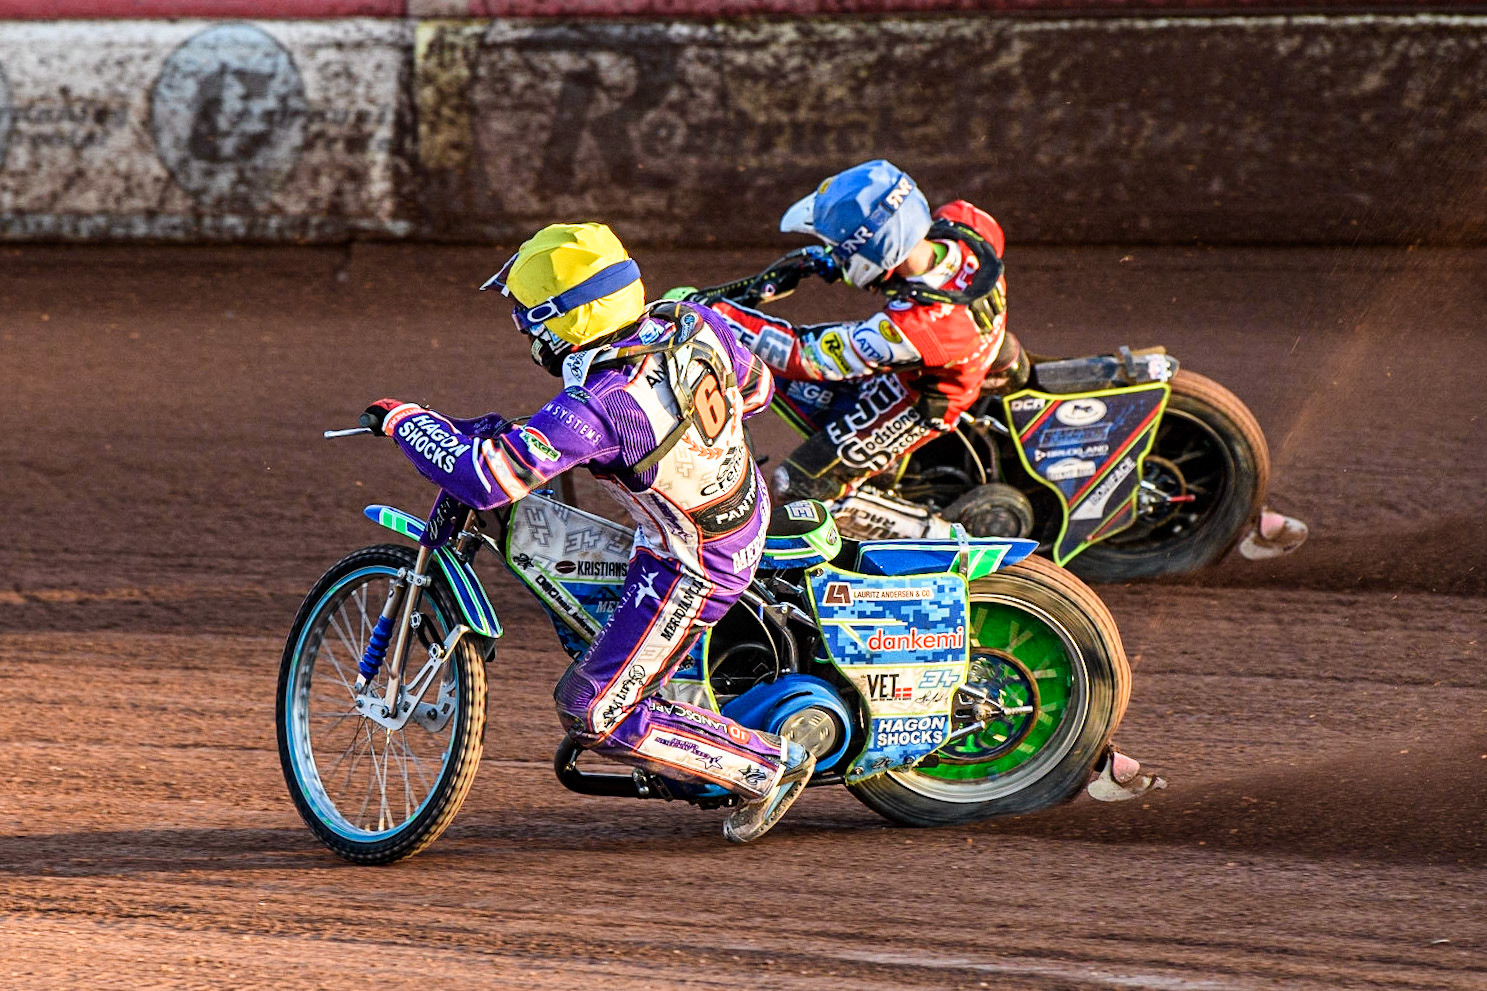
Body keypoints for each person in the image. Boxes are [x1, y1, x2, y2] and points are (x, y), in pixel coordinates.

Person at [361, 222, 814, 844]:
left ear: (559, 321)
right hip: (738, 503)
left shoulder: (599, 404)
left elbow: (488, 479)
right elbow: (756, 388)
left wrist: (406, 422)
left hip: (693, 563)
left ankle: (767, 766)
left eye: (526, 315)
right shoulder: (688, 319)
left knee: (591, 710)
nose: (522, 328)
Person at [703, 159, 1027, 536]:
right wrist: (826, 262)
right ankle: (887, 474)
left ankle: (947, 537)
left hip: (918, 402)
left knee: (798, 486)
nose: (833, 253)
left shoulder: (917, 329)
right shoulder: (970, 223)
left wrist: (715, 314)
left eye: (838, 247)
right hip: (961, 355)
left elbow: (804, 354)